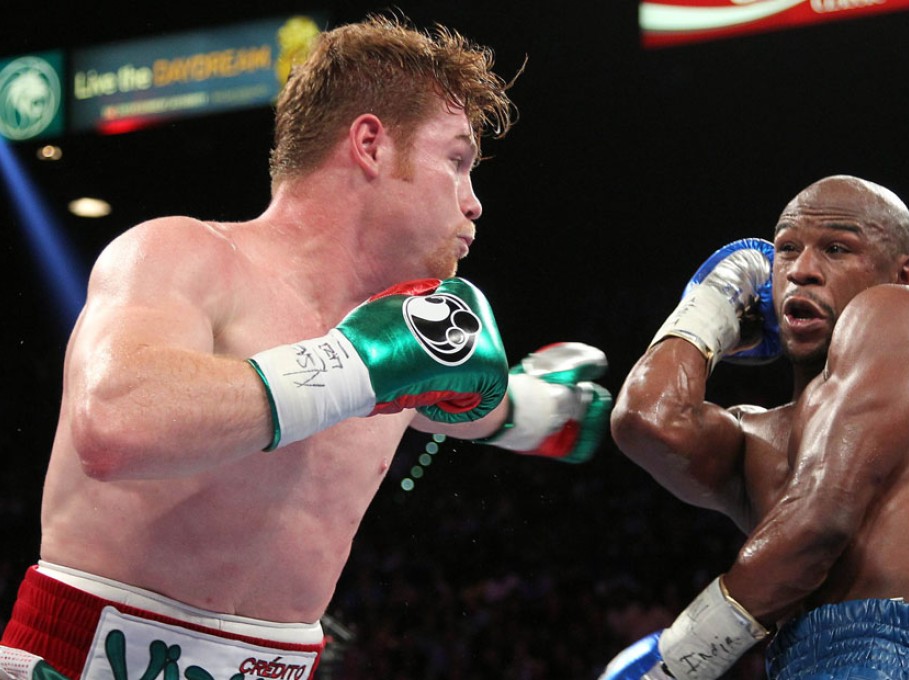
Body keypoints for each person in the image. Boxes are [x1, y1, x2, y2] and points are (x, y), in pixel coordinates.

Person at [0, 15, 611, 680]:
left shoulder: (403, 336)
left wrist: (559, 412)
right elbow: (114, 424)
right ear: (371, 145)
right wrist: (352, 366)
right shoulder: (186, 256)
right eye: (457, 162)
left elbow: (491, 404)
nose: (474, 203)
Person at [601, 175, 909, 679]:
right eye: (785, 250)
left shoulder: (904, 311)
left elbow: (820, 518)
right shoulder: (758, 435)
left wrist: (680, 659)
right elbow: (645, 420)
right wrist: (711, 306)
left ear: (903, 273)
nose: (802, 271)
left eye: (835, 248)